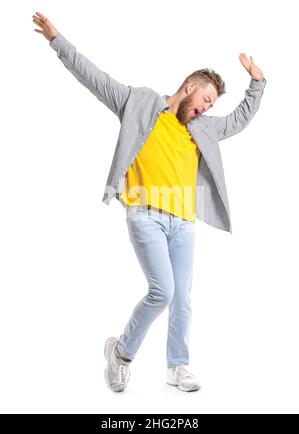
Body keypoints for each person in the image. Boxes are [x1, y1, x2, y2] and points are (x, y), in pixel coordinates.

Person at [32, 11, 267, 393]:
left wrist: (257, 84)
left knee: (183, 298)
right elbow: (93, 76)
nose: (206, 108)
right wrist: (57, 40)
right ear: (190, 85)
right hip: (145, 215)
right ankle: (122, 353)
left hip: (183, 220)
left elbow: (239, 119)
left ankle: (178, 366)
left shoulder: (203, 127)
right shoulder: (138, 103)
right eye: (205, 99)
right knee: (163, 291)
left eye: (210, 105)